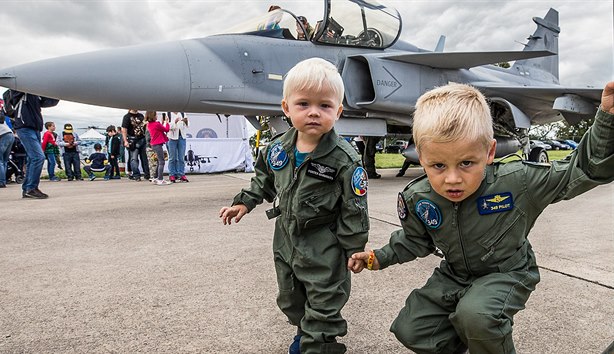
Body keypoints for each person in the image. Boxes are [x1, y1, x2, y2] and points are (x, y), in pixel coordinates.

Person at [349, 82, 614, 354]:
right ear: (421, 157)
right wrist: (378, 257)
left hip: (507, 272)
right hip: (456, 275)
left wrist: (607, 119)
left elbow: (581, 169)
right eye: (438, 165)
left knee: (477, 316)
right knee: (413, 329)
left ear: (489, 152)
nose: (452, 179)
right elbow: (415, 240)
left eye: (466, 163)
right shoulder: (420, 197)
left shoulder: (517, 182)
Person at [219, 58, 369, 354]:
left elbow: (355, 209)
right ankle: (307, 330)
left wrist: (355, 248)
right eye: (303, 104)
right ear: (286, 108)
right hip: (286, 240)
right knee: (290, 299)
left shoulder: (345, 159)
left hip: (324, 245)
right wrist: (244, 204)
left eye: (325, 106)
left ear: (338, 112)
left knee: (324, 303)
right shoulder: (278, 148)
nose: (314, 112)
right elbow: (263, 180)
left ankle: (320, 342)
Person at [7, 91, 59, 199]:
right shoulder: (21, 90)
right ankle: (31, 188)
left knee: (32, 158)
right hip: (25, 127)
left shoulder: (34, 94)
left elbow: (49, 102)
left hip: (34, 128)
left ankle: (28, 188)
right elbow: (10, 91)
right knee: (38, 157)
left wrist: (57, 92)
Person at [121, 109, 150, 181]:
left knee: (144, 158)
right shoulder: (127, 117)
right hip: (132, 139)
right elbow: (124, 129)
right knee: (134, 158)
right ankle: (136, 175)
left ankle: (147, 174)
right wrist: (125, 141)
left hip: (142, 139)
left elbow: (145, 127)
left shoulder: (141, 115)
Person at [145, 111, 171, 185]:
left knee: (159, 161)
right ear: (153, 116)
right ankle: (160, 179)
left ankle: (156, 177)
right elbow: (166, 129)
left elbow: (159, 129)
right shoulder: (157, 124)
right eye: (156, 115)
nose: (157, 116)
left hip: (153, 144)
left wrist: (162, 123)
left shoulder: (149, 124)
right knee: (162, 161)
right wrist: (167, 122)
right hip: (158, 144)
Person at [166, 112, 189, 183]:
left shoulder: (182, 113)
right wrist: (174, 122)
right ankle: (172, 174)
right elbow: (166, 126)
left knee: (181, 157)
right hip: (171, 138)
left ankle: (181, 173)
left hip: (182, 137)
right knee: (172, 157)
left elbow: (188, 125)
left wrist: (185, 121)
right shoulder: (168, 113)